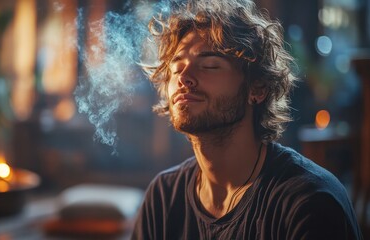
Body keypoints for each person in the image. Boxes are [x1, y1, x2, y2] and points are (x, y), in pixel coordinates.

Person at [131, 0, 362, 239]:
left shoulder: (309, 201)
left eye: (209, 65)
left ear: (257, 88)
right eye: (176, 69)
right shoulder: (164, 197)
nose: (184, 78)